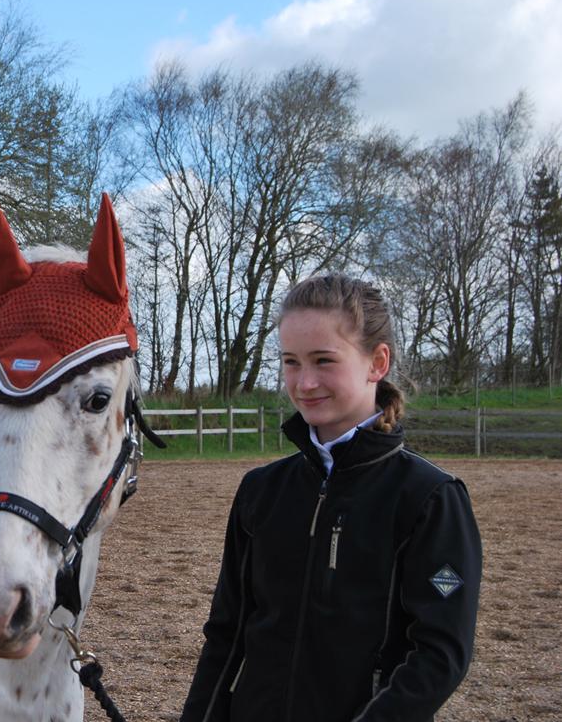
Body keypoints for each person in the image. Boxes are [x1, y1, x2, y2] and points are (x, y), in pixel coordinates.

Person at [180, 274, 482, 722]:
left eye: (324, 360)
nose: (304, 382)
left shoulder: (431, 498)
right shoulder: (261, 491)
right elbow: (227, 632)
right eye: (290, 362)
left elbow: (439, 655)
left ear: (377, 362)